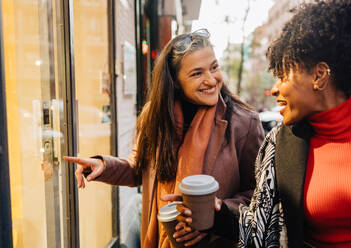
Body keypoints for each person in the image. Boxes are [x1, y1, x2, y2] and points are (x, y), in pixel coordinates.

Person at [172, 1, 351, 247]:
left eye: (283, 76)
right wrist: (218, 212)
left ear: (319, 75)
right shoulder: (279, 145)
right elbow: (262, 227)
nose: (275, 88)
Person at [64, 28, 264, 248]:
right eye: (197, 73)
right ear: (176, 82)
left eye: (214, 67)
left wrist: (214, 218)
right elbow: (138, 168)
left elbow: (259, 195)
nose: (211, 80)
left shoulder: (244, 122)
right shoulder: (155, 117)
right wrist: (104, 165)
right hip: (160, 239)